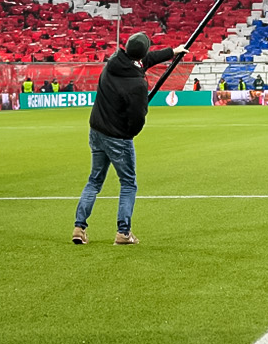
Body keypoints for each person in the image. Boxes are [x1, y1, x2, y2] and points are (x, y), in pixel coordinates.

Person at [72, 33, 184, 246]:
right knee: (128, 184)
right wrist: (129, 133)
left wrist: (172, 52)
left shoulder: (114, 61)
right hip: (118, 137)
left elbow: (145, 61)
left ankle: (79, 227)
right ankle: (123, 233)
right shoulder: (137, 85)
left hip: (96, 130)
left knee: (94, 181)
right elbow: (137, 118)